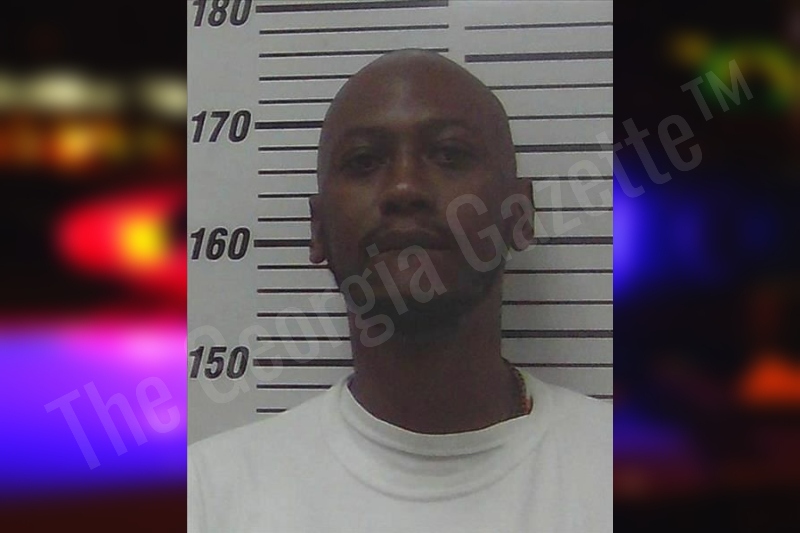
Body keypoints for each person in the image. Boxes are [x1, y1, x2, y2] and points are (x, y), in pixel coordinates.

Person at [188, 49, 612, 533]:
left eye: (449, 155)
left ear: (520, 213)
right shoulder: (206, 498)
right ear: (318, 228)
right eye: (364, 161)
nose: (405, 188)